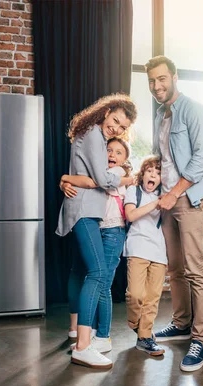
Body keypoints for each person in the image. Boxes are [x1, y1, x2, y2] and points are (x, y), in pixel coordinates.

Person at [146, 56, 203, 372]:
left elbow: (202, 158)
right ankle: (181, 324)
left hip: (190, 199)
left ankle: (201, 340)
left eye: (162, 78)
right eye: (151, 81)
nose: (157, 85)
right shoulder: (161, 116)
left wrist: (174, 193)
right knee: (174, 269)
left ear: (174, 77)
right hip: (168, 201)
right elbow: (162, 160)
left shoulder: (197, 111)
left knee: (196, 270)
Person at [56, 93, 136, 369]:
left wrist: (70, 178)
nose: (117, 129)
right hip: (85, 211)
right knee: (99, 273)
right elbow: (103, 179)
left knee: (80, 270)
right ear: (106, 112)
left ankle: (76, 332)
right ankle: (83, 347)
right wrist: (124, 176)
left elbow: (94, 178)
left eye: (123, 127)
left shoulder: (97, 137)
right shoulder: (92, 133)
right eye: (115, 121)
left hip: (85, 209)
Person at [123, 156, 166, 357]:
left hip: (159, 252)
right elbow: (130, 215)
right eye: (150, 171)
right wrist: (157, 203)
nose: (153, 175)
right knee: (135, 295)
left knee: (152, 298)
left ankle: (145, 338)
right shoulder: (133, 191)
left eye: (158, 173)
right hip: (137, 248)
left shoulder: (164, 195)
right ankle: (135, 322)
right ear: (143, 174)